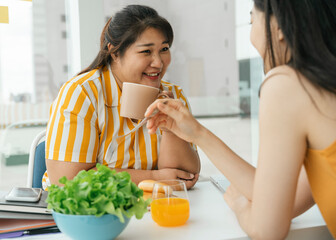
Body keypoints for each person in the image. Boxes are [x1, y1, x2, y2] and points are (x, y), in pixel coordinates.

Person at [146, 0, 336, 238]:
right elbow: (278, 195)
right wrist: (197, 133)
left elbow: (266, 229)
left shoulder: (287, 84)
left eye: (251, 20)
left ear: (278, 26)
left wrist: (239, 204)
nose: (252, 33)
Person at [43, 5, 200, 190]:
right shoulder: (81, 93)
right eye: (146, 51)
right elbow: (67, 180)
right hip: (92, 214)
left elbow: (183, 176)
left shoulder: (173, 96)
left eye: (164, 49)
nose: (158, 63)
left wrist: (170, 127)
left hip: (154, 210)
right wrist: (153, 177)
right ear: (115, 52)